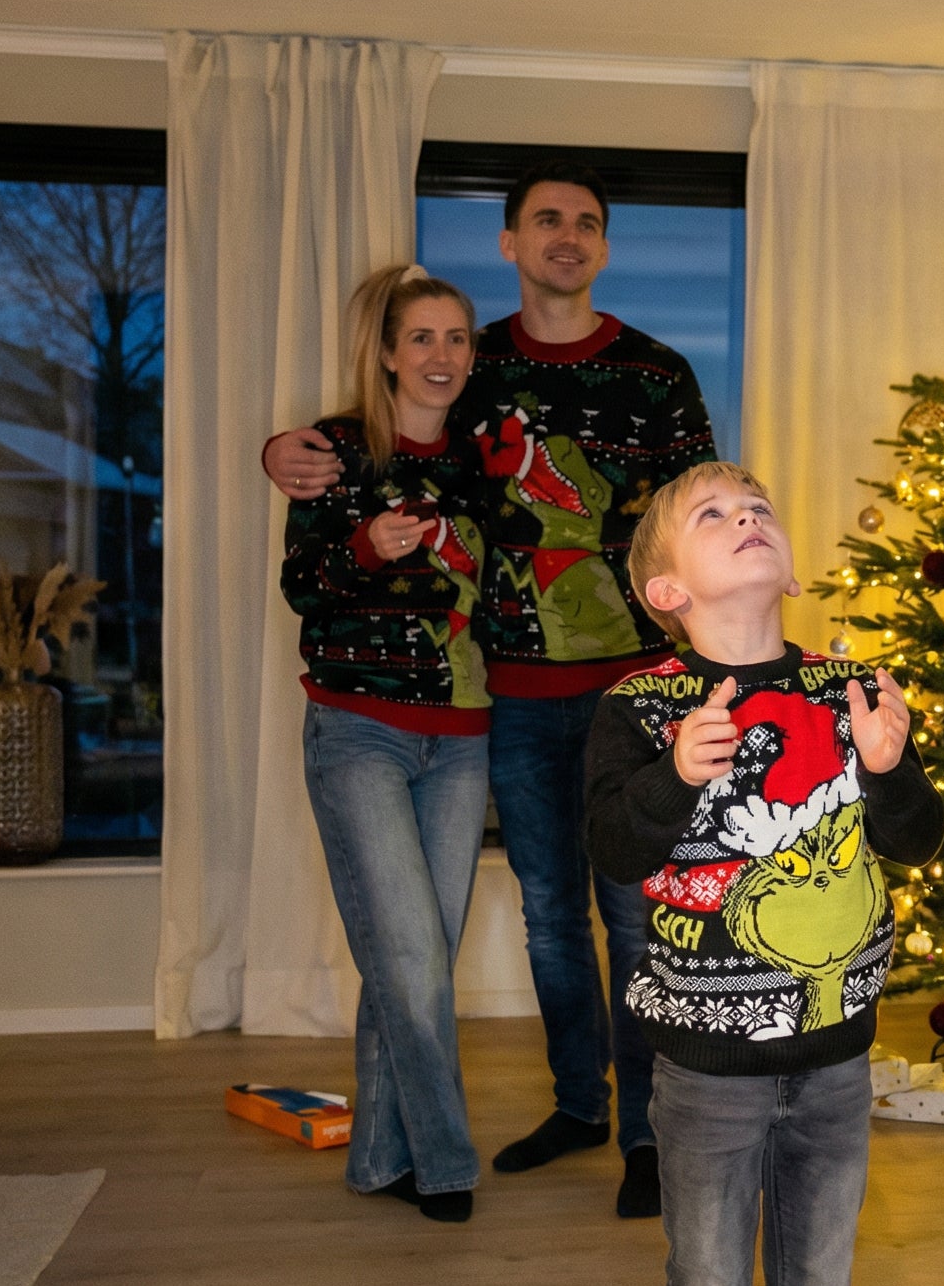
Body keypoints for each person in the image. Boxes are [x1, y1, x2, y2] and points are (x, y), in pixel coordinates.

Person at [264, 160, 717, 1218]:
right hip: (500, 698)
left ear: (603, 245)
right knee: (550, 918)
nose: (567, 235)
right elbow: (374, 439)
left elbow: (696, 513)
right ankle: (578, 1105)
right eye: (546, 219)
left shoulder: (656, 373)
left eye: (586, 222)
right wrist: (281, 447)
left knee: (635, 920)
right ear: (509, 241)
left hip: (627, 695)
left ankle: (648, 1134)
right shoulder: (472, 371)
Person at [582, 462, 944, 1286]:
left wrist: (885, 766)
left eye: (758, 509)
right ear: (665, 589)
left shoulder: (850, 687)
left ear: (787, 565)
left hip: (833, 1062)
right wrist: (672, 779)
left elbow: (916, 837)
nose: (745, 520)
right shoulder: (638, 707)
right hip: (705, 1071)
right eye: (713, 514)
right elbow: (613, 850)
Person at [280, 264, 494, 1225]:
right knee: (409, 958)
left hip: (462, 739)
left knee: (418, 960)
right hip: (359, 730)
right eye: (422, 338)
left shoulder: (480, 460)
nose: (442, 356)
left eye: (457, 338)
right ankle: (446, 1164)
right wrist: (368, 545)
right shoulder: (336, 451)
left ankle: (376, 1157)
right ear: (388, 353)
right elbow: (301, 584)